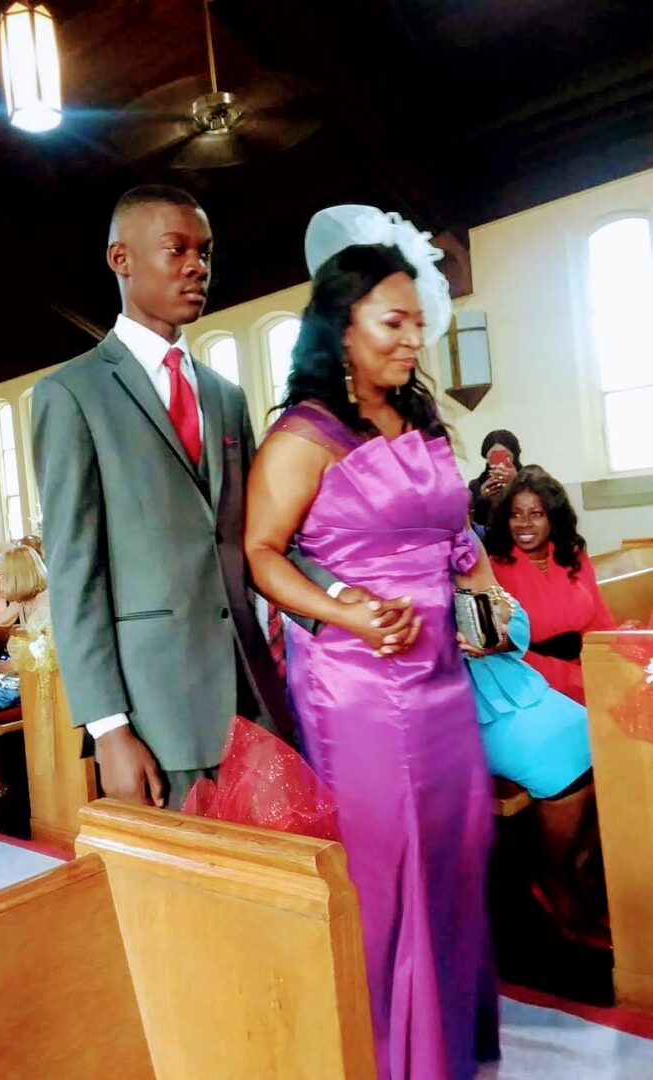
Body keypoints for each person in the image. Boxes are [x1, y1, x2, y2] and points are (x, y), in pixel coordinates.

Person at [244, 205, 500, 1079]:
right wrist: (345, 611)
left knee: (458, 849)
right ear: (340, 326)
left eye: (416, 324)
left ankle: (450, 1041)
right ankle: (393, 1052)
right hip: (361, 685)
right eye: (392, 323)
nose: (409, 342)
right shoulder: (304, 436)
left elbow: (447, 531)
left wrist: (476, 582)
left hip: (440, 678)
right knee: (391, 869)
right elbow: (260, 554)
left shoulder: (416, 419)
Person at [32, 184, 343, 810]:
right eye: (177, 250)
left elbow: (255, 534)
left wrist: (338, 600)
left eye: (205, 252)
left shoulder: (224, 395)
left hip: (249, 686)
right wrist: (109, 727)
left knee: (279, 884)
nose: (198, 266)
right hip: (158, 710)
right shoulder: (73, 394)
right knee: (194, 895)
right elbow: (75, 573)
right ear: (121, 259)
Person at [463, 600, 604, 944]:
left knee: (600, 742)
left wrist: (501, 636)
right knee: (563, 766)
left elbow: (511, 612)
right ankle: (553, 876)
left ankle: (582, 863)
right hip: (456, 706)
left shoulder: (459, 552)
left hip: (515, 683)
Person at [487, 468, 616, 704]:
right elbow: (506, 649)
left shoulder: (572, 555)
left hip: (587, 665)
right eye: (515, 515)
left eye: (536, 513)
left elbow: (599, 617)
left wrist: (607, 665)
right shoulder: (493, 568)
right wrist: (573, 677)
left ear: (553, 518)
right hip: (532, 680)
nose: (524, 524)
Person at [468, 429, 523, 527]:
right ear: (486, 457)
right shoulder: (476, 486)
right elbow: (474, 526)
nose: (499, 461)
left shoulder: (529, 478)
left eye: (504, 456)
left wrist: (517, 483)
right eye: (494, 456)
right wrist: (483, 500)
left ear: (514, 455)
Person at [0, 545, 50, 628]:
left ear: (18, 577)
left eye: (2, 574)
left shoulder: (46, 600)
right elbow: (1, 621)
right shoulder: (21, 598)